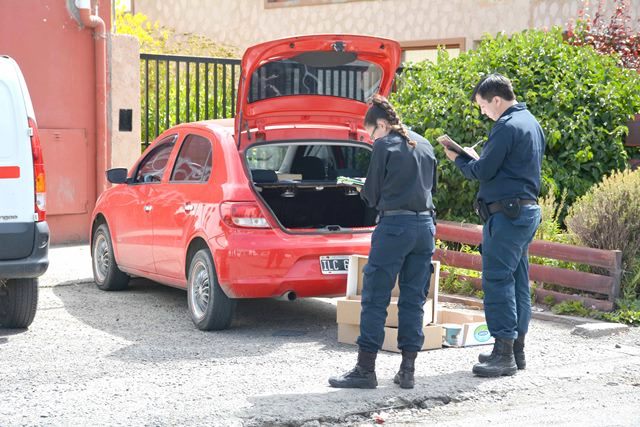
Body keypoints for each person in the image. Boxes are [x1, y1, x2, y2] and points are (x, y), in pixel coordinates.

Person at [329, 95, 437, 389]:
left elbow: (373, 195)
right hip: (425, 227)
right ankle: (408, 371)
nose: (371, 138)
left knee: (376, 297)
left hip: (394, 228)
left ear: (381, 124)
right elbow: (431, 189)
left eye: (371, 133)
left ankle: (365, 370)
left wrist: (362, 190)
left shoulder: (384, 145)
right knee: (414, 300)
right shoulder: (425, 144)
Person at [443, 74, 544, 377]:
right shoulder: (531, 123)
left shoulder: (506, 126)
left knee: (497, 280)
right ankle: (516, 351)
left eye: (483, 107)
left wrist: (458, 159)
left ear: (496, 100)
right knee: (516, 281)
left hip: (508, 215)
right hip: (524, 212)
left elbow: (484, 170)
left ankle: (504, 355)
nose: (483, 112)